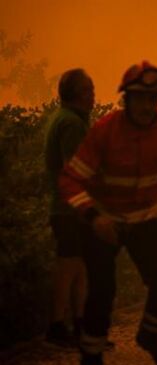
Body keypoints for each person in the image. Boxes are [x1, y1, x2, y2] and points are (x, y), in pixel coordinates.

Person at [59, 61, 157, 365]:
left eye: (152, 99)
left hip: (145, 217)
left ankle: (151, 336)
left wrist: (147, 202)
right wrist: (93, 216)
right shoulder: (104, 131)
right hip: (102, 219)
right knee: (101, 291)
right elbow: (70, 181)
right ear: (125, 99)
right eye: (139, 98)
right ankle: (91, 361)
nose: (145, 106)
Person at [44, 69, 94, 346]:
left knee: (79, 267)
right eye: (88, 90)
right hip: (70, 209)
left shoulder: (67, 120)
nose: (93, 96)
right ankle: (57, 325)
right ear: (77, 94)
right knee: (69, 266)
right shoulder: (72, 124)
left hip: (70, 207)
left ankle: (79, 325)